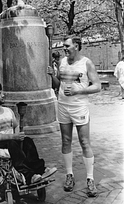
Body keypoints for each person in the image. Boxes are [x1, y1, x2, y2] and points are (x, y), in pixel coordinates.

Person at [47, 35, 101, 197]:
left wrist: (79, 90)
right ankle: (69, 175)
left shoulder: (86, 63)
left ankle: (90, 179)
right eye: (64, 46)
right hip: (63, 106)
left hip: (79, 107)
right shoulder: (62, 62)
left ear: (76, 46)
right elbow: (59, 85)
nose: (64, 48)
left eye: (67, 46)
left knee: (84, 142)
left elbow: (97, 86)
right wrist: (52, 76)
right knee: (66, 140)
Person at [0, 82, 57, 186]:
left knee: (27, 140)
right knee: (12, 143)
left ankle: (40, 170)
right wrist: (13, 137)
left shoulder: (8, 111)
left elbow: (15, 126)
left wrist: (17, 137)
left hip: (11, 141)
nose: (3, 95)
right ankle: (28, 176)